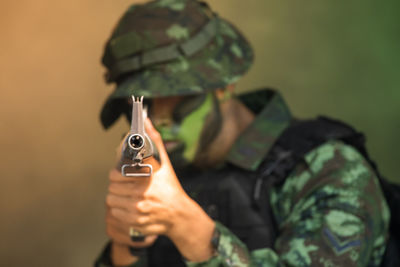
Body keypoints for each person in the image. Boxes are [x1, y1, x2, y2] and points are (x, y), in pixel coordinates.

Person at [95, 0, 391, 266]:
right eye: (141, 105)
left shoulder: (328, 169)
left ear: (223, 84)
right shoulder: (166, 179)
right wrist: (125, 249)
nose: (157, 120)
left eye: (179, 98)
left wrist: (193, 232)